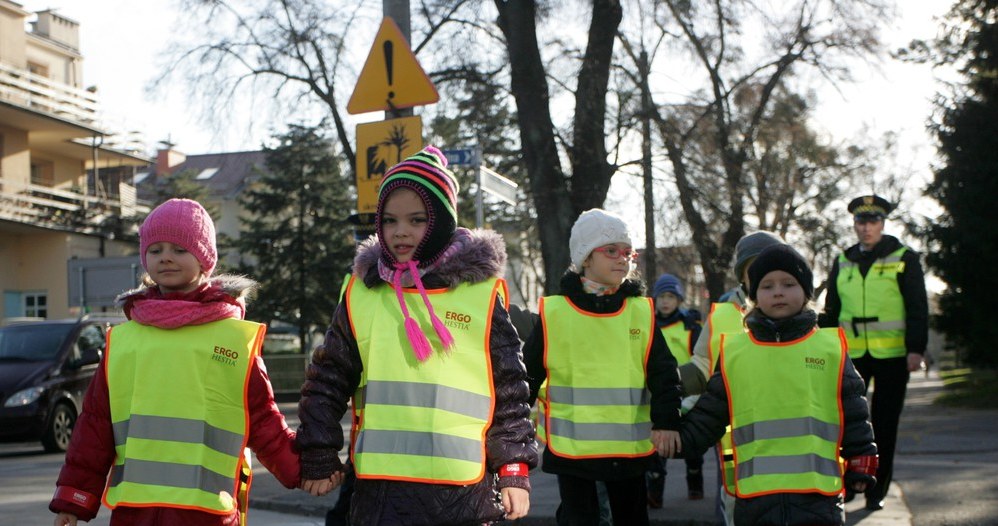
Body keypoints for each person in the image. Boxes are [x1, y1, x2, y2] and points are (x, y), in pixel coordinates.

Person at [295, 146, 537, 525]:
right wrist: (318, 452)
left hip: (464, 493)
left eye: (417, 219)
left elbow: (509, 388)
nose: (400, 231)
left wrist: (514, 469)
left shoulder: (480, 294)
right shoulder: (363, 293)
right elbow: (328, 378)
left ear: (442, 221)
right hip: (381, 491)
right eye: (389, 220)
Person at [49, 198, 301, 526]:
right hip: (134, 514)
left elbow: (263, 418)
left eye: (179, 249)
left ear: (205, 259)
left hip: (205, 513)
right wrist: (73, 498)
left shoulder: (232, 338)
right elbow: (95, 426)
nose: (165, 257)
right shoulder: (125, 340)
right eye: (155, 250)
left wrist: (304, 469)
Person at [679, 244, 878, 526]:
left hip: (818, 498)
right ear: (754, 296)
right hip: (756, 501)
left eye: (788, 283)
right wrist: (675, 440)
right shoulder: (736, 353)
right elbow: (710, 413)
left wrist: (862, 460)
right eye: (767, 286)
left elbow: (853, 410)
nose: (778, 291)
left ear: (807, 292)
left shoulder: (829, 349)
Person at [523, 208, 683, 526]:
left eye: (627, 252)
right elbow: (527, 376)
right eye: (611, 251)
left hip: (628, 454)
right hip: (573, 455)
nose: (622, 259)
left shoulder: (640, 312)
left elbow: (664, 373)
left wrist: (667, 422)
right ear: (585, 258)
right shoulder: (556, 313)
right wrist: (510, 431)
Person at [819, 194, 929, 511]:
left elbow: (917, 307)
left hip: (894, 356)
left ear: (882, 224)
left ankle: (875, 490)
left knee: (885, 423)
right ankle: (848, 483)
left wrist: (915, 349)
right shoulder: (843, 259)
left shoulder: (904, 257)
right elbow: (832, 308)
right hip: (851, 354)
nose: (866, 228)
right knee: (846, 421)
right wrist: (826, 346)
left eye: (872, 221)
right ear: (854, 224)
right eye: (860, 221)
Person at [679, 230, 785, 525]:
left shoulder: (799, 315)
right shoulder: (723, 315)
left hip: (791, 438)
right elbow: (702, 364)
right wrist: (668, 388)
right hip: (733, 432)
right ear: (743, 275)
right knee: (735, 502)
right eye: (756, 269)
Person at [645, 273, 704, 507]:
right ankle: (654, 494)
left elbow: (700, 359)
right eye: (662, 297)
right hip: (659, 392)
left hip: (688, 392)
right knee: (658, 448)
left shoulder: (690, 327)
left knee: (691, 447)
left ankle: (695, 487)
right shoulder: (649, 324)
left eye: (671, 296)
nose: (666, 301)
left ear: (679, 299)